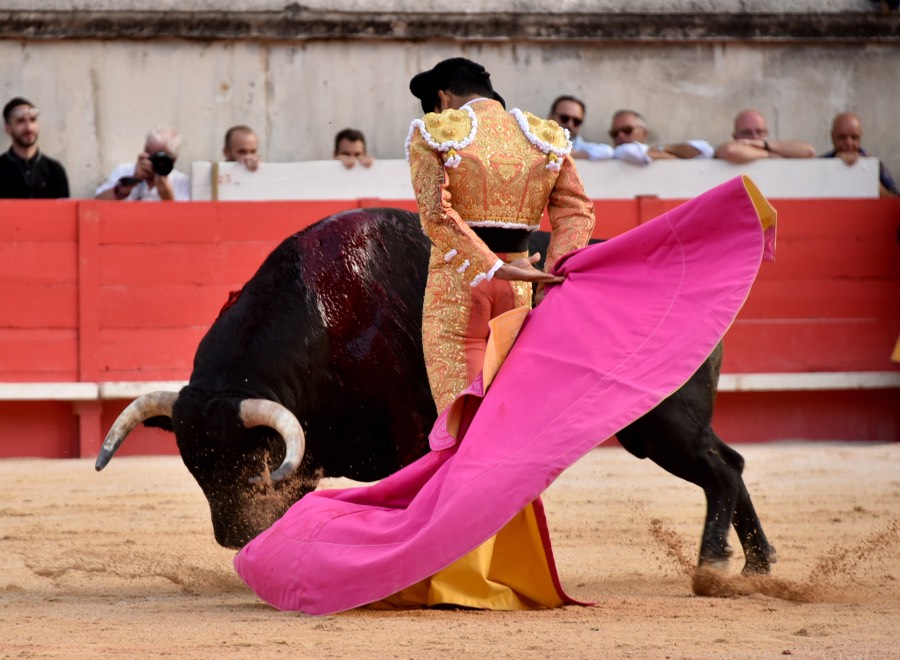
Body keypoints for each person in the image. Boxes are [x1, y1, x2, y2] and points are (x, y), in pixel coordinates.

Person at [232, 61, 777, 617]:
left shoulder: (434, 134)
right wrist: (555, 266)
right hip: (519, 294)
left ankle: (455, 568)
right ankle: (499, 566)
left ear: (445, 95)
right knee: (500, 433)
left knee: (458, 430)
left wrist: (490, 267)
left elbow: (437, 220)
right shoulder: (543, 136)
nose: (438, 113)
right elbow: (575, 210)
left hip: (458, 293)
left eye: (438, 104)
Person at [94, 126, 190, 201]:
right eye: (148, 153)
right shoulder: (124, 171)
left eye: (158, 158)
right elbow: (96, 205)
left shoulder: (181, 182)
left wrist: (167, 197)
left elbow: (187, 223)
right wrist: (130, 183)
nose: (151, 161)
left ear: (173, 159)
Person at [0, 97, 69, 198]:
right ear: (8, 129)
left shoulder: (55, 170)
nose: (28, 127)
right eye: (20, 121)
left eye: (33, 120)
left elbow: (64, 212)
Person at [821, 112, 898, 197]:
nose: (848, 143)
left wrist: (872, 182)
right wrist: (833, 167)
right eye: (842, 137)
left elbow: (895, 203)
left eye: (854, 137)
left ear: (860, 137)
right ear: (832, 137)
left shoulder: (875, 165)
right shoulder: (819, 164)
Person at [608, 109, 714, 165]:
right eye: (615, 133)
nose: (620, 135)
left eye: (627, 130)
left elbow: (705, 150)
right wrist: (677, 158)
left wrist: (661, 149)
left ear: (644, 132)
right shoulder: (618, 152)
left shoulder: (654, 151)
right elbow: (629, 151)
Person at [715, 109, 816, 163]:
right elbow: (731, 151)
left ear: (766, 133)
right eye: (747, 133)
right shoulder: (730, 147)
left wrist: (764, 145)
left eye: (759, 132)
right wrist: (769, 155)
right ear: (735, 137)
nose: (754, 137)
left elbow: (808, 151)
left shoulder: (774, 147)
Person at [547, 95, 613, 161]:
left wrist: (567, 153)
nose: (570, 124)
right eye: (564, 118)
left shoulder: (582, 148)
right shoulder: (537, 142)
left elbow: (608, 152)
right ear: (550, 117)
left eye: (576, 121)